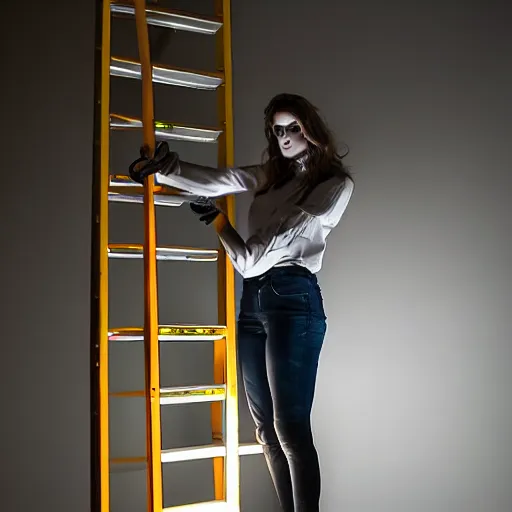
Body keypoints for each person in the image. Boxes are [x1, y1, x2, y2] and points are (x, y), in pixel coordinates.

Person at [129, 93, 355, 511]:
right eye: (277, 130)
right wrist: (171, 169)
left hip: (293, 299)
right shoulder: (274, 174)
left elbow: (256, 256)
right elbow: (225, 179)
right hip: (254, 302)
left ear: (311, 130)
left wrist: (219, 222)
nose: (284, 137)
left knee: (290, 429)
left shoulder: (334, 186)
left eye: (293, 128)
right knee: (265, 430)